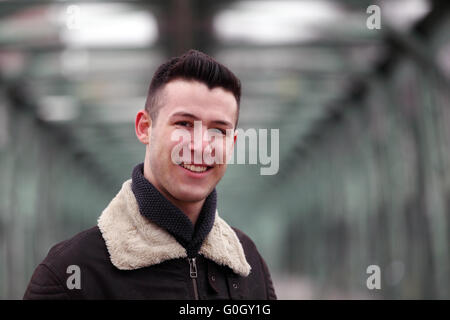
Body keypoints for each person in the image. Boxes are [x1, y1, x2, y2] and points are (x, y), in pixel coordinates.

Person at [23, 49, 277, 300]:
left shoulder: (248, 263)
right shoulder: (70, 275)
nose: (201, 146)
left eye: (218, 130)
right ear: (145, 128)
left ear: (232, 144)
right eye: (184, 124)